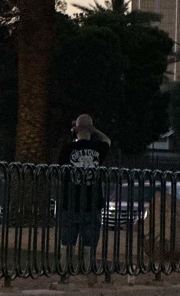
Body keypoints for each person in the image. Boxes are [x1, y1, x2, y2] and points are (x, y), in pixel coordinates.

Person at [56, 115, 110, 271]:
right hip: (92, 202)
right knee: (89, 245)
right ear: (91, 130)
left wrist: (73, 133)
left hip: (71, 202)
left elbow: (60, 167)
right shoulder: (98, 148)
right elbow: (108, 141)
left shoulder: (67, 149)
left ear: (76, 129)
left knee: (66, 244)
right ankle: (89, 274)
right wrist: (94, 130)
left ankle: (63, 274)